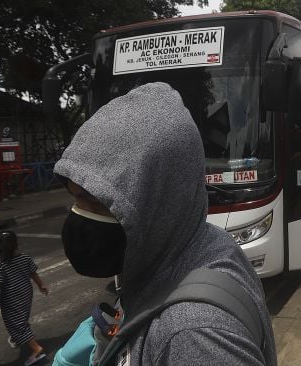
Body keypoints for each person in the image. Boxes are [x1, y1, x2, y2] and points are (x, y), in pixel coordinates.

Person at [52, 82, 277, 365]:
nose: (78, 216)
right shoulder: (199, 245)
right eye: (75, 198)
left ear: (160, 198)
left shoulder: (195, 335)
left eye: (97, 202)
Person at [0, 231, 48, 366]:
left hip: (11, 299)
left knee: (15, 323)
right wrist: (41, 285)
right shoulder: (25, 258)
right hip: (26, 293)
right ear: (16, 244)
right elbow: (33, 273)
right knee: (21, 318)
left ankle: (36, 349)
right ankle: (18, 339)